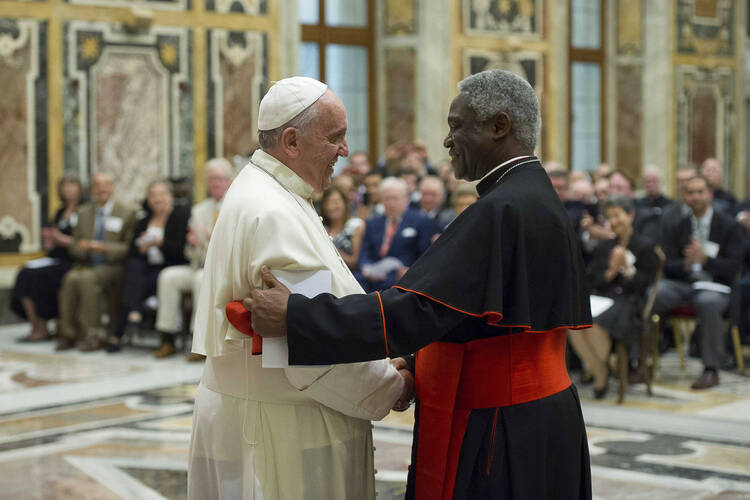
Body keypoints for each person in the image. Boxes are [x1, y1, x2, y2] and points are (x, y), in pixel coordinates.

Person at [241, 70, 592, 500]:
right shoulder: (530, 196)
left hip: (503, 425)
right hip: (538, 416)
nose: (447, 141)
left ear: (499, 126)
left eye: (456, 126)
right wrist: (415, 361)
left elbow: (415, 310)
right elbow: (464, 313)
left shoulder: (502, 209)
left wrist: (296, 315)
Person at [187, 76, 409, 500]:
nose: (344, 150)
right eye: (335, 137)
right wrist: (392, 386)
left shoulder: (263, 189)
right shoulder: (275, 213)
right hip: (285, 430)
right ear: (291, 141)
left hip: (254, 413)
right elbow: (309, 352)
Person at [654, 175, 743, 389]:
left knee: (708, 302)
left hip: (716, 286)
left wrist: (705, 260)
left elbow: (734, 267)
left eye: (700, 192)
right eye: (690, 192)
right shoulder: (678, 225)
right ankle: (637, 361)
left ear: (710, 194)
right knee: (654, 293)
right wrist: (686, 262)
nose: (696, 197)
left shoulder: (728, 225)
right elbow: (667, 265)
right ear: (685, 196)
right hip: (686, 284)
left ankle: (711, 369)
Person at [568, 195, 658, 398]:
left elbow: (644, 284)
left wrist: (626, 268)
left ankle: (599, 376)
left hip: (630, 302)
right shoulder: (605, 247)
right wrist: (610, 271)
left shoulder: (645, 246)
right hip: (603, 299)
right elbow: (592, 280)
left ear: (631, 215)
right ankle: (603, 369)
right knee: (573, 324)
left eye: (617, 216)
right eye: (610, 217)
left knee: (596, 324)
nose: (614, 221)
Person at [153, 158, 235, 360]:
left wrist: (208, 239)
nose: (215, 183)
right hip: (199, 264)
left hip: (224, 270)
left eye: (220, 179)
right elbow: (191, 253)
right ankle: (167, 337)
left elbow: (230, 249)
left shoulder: (235, 208)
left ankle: (198, 341)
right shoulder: (199, 210)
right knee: (168, 276)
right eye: (212, 179)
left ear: (230, 181)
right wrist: (191, 244)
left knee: (200, 280)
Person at [56, 173, 136, 352]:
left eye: (106, 185)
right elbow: (73, 245)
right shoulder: (83, 212)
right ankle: (68, 333)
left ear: (113, 188)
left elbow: (129, 248)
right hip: (86, 263)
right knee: (70, 279)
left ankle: (94, 334)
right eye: (97, 186)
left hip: (113, 266)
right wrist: (82, 247)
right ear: (92, 190)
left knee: (86, 280)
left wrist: (105, 248)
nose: (102, 189)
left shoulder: (127, 213)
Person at [108, 180, 190, 353]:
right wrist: (141, 248)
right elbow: (131, 250)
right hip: (146, 268)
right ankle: (134, 312)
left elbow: (181, 252)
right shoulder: (144, 221)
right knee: (132, 268)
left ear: (170, 197)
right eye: (153, 195)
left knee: (131, 283)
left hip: (168, 266)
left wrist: (160, 244)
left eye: (162, 194)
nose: (158, 199)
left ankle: (121, 329)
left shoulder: (180, 217)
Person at [11, 176, 83, 341]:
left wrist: (61, 239)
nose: (69, 189)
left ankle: (44, 325)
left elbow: (83, 242)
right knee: (25, 272)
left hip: (73, 260)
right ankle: (37, 325)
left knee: (40, 277)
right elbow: (51, 241)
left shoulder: (84, 211)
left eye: (72, 185)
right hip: (54, 257)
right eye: (65, 186)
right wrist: (50, 241)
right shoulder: (59, 212)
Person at [358, 177, 437, 292]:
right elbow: (365, 251)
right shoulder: (373, 222)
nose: (391, 203)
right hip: (374, 275)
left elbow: (425, 254)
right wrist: (366, 268)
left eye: (395, 198)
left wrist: (410, 271)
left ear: (406, 199)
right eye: (386, 199)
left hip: (402, 278)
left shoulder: (421, 220)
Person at [321, 184, 365, 271]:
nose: (331, 206)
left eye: (336, 202)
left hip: (351, 276)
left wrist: (331, 252)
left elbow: (355, 262)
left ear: (345, 203)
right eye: (327, 202)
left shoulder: (355, 225)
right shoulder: (321, 228)